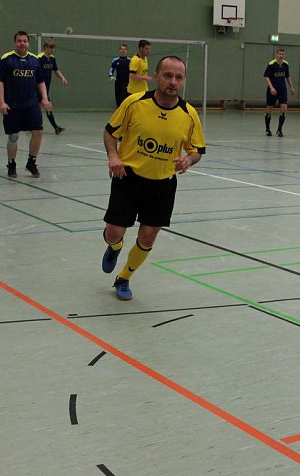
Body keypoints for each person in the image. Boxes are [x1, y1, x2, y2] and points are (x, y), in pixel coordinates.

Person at [100, 55, 205, 300]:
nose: (173, 81)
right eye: (168, 75)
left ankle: (124, 278)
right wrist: (113, 157)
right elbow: (109, 132)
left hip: (162, 186)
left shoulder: (189, 114)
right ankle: (114, 247)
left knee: (147, 236)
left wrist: (188, 160)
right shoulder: (134, 103)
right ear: (156, 76)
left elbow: (197, 150)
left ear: (183, 80)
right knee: (114, 232)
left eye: (178, 77)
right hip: (128, 178)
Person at [0, 31, 52, 178]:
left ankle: (31, 162)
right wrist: (1, 102)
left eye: (25, 41)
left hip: (31, 104)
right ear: (15, 43)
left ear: (28, 43)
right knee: (13, 136)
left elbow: (40, 81)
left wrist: (45, 98)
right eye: (19, 41)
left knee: (38, 131)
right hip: (12, 105)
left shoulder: (34, 60)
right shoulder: (6, 59)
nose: (22, 43)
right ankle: (11, 163)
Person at [37, 40, 69, 134]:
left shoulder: (52, 58)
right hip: (37, 87)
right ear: (45, 48)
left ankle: (37, 126)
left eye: (53, 47)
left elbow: (56, 70)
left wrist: (62, 78)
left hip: (46, 88)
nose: (52, 50)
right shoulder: (39, 58)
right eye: (51, 47)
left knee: (47, 107)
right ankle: (53, 127)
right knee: (45, 107)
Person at [263, 47, 296, 137]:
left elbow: (287, 77)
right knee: (269, 109)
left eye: (282, 54)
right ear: (276, 55)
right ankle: (268, 129)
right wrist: (271, 88)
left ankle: (279, 129)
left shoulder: (286, 64)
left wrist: (291, 88)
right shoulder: (271, 64)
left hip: (282, 89)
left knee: (284, 108)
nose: (281, 56)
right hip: (273, 90)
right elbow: (266, 77)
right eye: (279, 54)